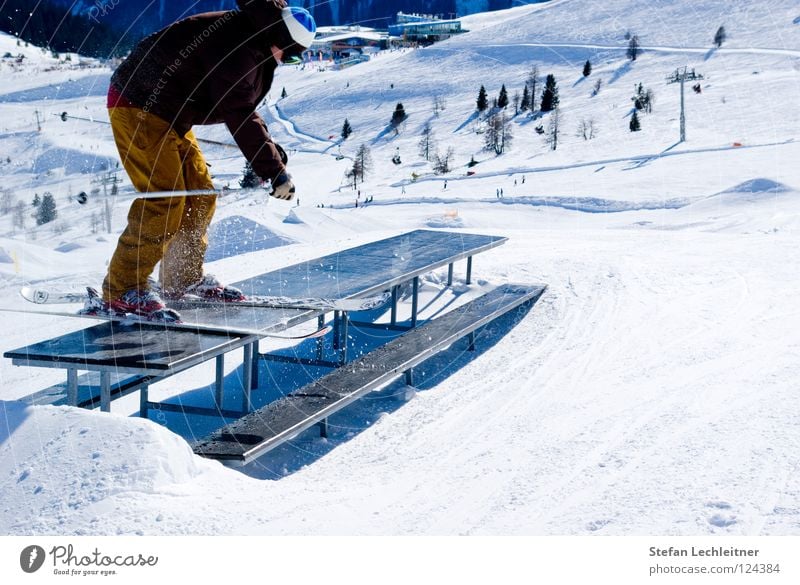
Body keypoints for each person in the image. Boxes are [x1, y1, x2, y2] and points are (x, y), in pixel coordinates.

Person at [84, 0, 316, 321]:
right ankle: (121, 289)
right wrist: (273, 170)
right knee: (165, 200)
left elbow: (241, 104)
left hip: (171, 114)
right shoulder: (240, 48)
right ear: (278, 38)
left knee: (200, 195)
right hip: (137, 104)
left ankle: (182, 278)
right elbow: (238, 108)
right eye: (291, 54)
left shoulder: (253, 37)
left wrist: (270, 153)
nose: (288, 61)